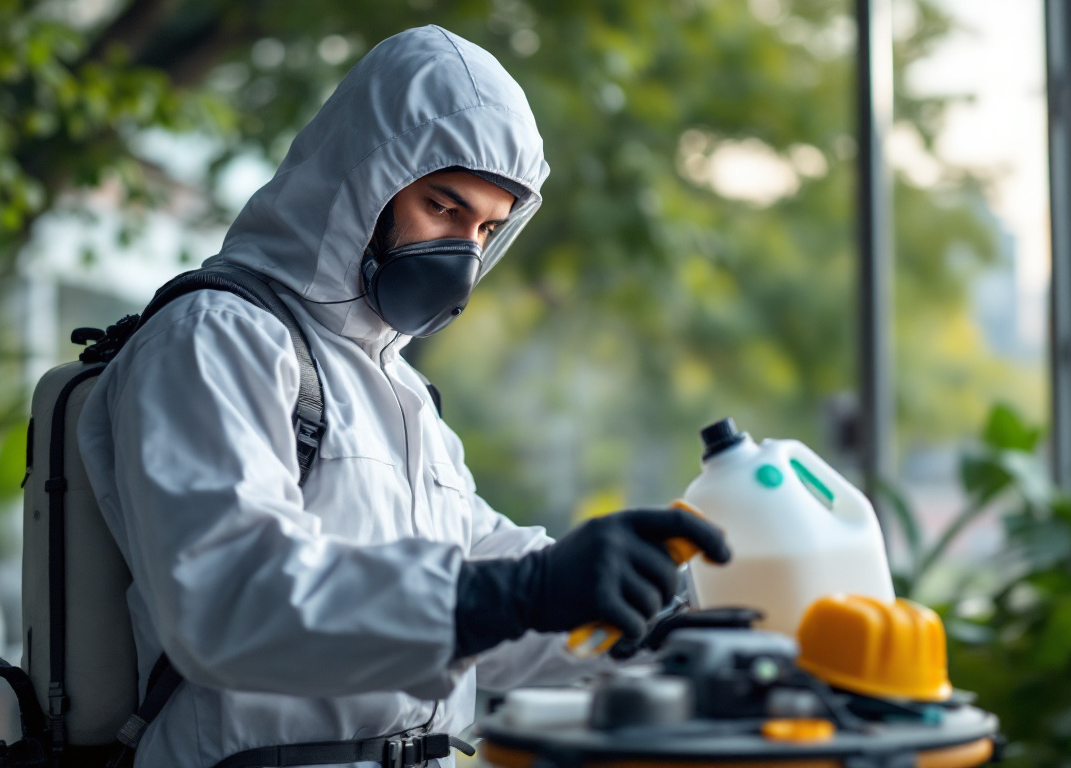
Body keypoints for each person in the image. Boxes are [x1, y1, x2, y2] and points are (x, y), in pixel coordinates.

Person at [77, 25, 730, 768]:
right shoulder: (217, 337)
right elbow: (232, 602)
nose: (464, 253)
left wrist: (648, 624)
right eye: (443, 209)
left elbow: (483, 577)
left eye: (487, 227)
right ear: (366, 181)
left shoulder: (400, 389)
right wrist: (524, 591)